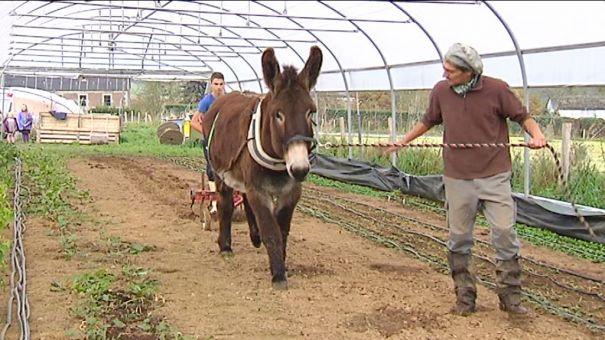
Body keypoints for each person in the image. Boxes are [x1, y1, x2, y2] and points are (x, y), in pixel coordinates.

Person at [387, 43, 547, 316]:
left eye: (450, 70)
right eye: (445, 68)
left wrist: (537, 135)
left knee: (505, 234)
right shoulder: (441, 91)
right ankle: (465, 297)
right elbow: (428, 120)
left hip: (494, 176)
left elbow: (523, 117)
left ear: (469, 71)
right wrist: (403, 141)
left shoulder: (496, 90)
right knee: (459, 238)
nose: (445, 74)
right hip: (457, 178)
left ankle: (511, 298)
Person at [190, 72, 225, 215]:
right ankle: (215, 204)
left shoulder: (228, 100)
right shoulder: (206, 102)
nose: (218, 87)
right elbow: (193, 122)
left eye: (221, 84)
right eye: (216, 84)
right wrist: (208, 133)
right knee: (212, 169)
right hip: (210, 141)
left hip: (225, 140)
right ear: (211, 85)